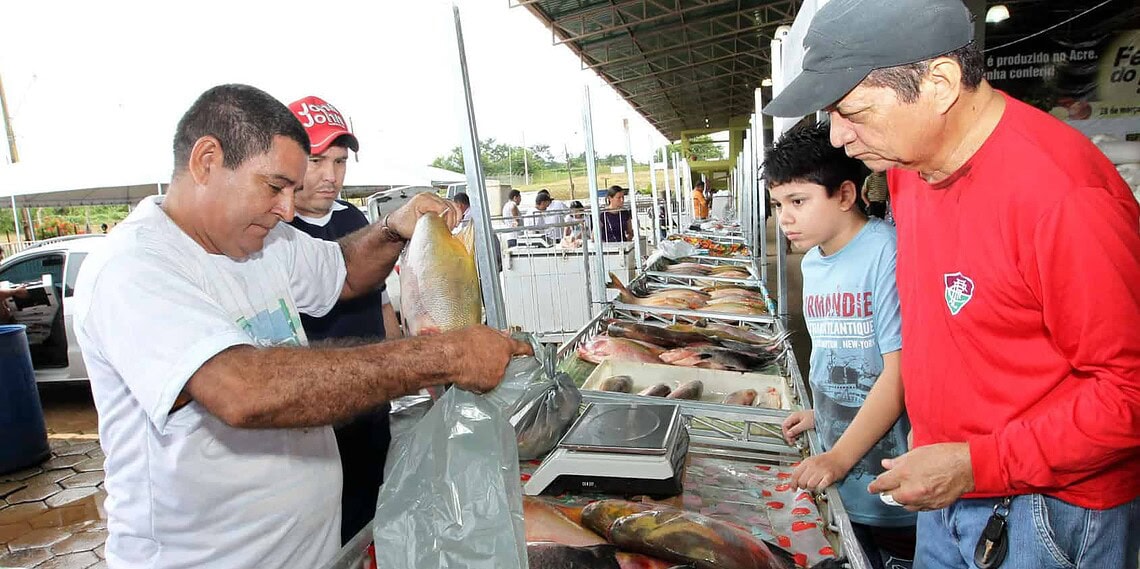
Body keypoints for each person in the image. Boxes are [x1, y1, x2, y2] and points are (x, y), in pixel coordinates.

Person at [72, 84, 531, 569]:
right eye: (273, 187)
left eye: (293, 190)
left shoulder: (266, 242)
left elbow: (345, 268)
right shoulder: (134, 267)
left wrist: (394, 227)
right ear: (206, 161)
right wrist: (445, 355)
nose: (288, 210)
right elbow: (243, 390)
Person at [764, 1, 1140, 567]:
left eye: (853, 111)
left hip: (1047, 512)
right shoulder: (911, 169)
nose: (839, 138)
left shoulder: (1063, 199)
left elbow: (1128, 393)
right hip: (944, 490)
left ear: (939, 83)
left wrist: (976, 463)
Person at [769, 123, 914, 568]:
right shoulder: (813, 263)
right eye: (778, 205)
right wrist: (824, 412)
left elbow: (900, 372)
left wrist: (837, 457)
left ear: (846, 195)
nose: (785, 218)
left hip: (891, 477)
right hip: (840, 471)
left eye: (798, 201)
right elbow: (835, 355)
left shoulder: (886, 254)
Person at [286, 94, 395, 545]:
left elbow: (384, 305)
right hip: (313, 415)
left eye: (340, 161)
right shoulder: (273, 231)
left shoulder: (356, 219)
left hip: (371, 406)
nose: (331, 176)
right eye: (315, 161)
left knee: (367, 512)